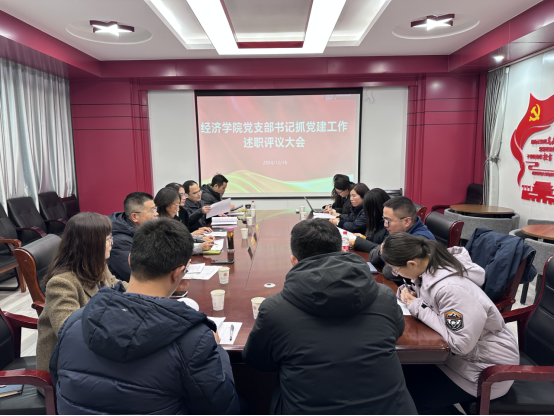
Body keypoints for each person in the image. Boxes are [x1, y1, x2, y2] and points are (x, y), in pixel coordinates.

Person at [50, 218, 241, 415]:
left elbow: (58, 381)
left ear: (130, 260)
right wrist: (216, 349)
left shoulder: (75, 321)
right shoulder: (194, 340)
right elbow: (225, 408)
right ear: (178, 273)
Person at [242, 219, 417, 415]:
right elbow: (397, 331)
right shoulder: (384, 296)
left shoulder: (275, 310)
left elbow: (257, 360)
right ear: (342, 251)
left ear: (294, 261)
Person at [381, 233, 519, 414]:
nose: (396, 274)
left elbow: (460, 344)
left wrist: (417, 306)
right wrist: (406, 293)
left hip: (485, 370)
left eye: (396, 270)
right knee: (395, 377)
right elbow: (424, 297)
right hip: (459, 360)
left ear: (412, 264)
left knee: (404, 397)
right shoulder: (428, 269)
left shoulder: (451, 289)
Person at [37, 212, 126, 377]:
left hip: (90, 354)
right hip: (66, 365)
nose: (111, 242)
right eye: (107, 238)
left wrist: (147, 292)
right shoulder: (61, 283)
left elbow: (118, 285)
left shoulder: (98, 266)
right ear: (90, 244)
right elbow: (69, 332)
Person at [370, 196, 435, 285]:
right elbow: (372, 255)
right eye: (384, 219)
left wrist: (383, 254)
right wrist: (383, 253)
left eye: (388, 220)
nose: (385, 224)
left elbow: (389, 272)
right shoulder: (398, 231)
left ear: (407, 221)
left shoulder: (419, 240)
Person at [108, 192, 158, 282]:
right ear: (135, 216)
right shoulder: (119, 242)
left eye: (155, 209)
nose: (156, 214)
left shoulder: (145, 229)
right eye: (152, 211)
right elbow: (137, 276)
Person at [155, 187, 214, 254]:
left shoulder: (174, 218)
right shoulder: (158, 225)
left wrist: (201, 238)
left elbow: (181, 238)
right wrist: (199, 247)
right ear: (166, 204)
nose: (178, 208)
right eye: (176, 205)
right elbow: (172, 249)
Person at [350, 188, 390, 252]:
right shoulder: (378, 220)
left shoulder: (389, 224)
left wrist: (358, 242)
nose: (367, 213)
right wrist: (365, 238)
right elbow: (377, 240)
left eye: (368, 210)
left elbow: (384, 250)